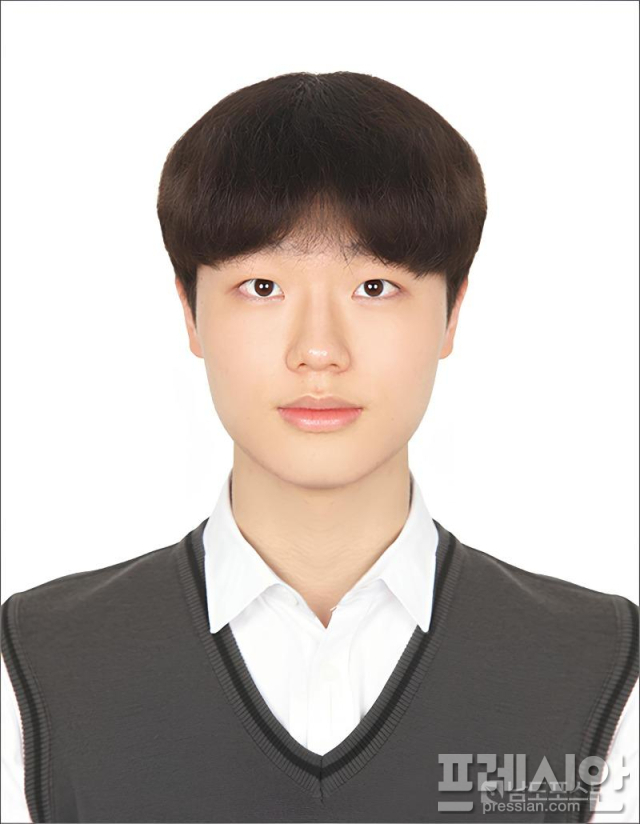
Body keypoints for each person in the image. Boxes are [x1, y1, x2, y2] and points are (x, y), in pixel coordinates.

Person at [1, 71, 637, 824]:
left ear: (452, 314)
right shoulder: (34, 674)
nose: (319, 351)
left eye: (374, 287)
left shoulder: (603, 675)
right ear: (191, 314)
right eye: (262, 287)